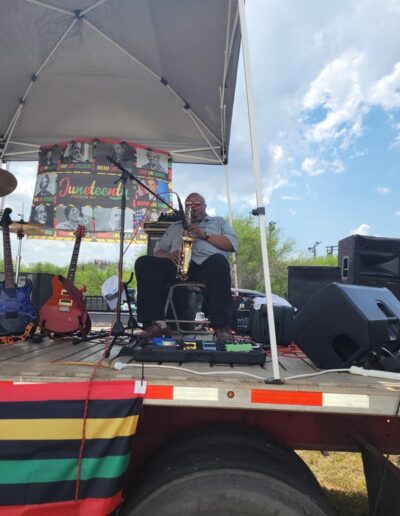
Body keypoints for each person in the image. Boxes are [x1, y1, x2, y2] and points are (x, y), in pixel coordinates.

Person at [135, 192, 237, 344]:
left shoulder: (218, 222)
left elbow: (231, 245)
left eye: (197, 204)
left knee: (220, 261)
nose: (193, 207)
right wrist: (168, 256)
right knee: (144, 263)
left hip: (207, 266)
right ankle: (156, 323)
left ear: (205, 207)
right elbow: (158, 250)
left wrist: (204, 235)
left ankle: (222, 327)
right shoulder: (175, 226)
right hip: (177, 266)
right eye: (188, 205)